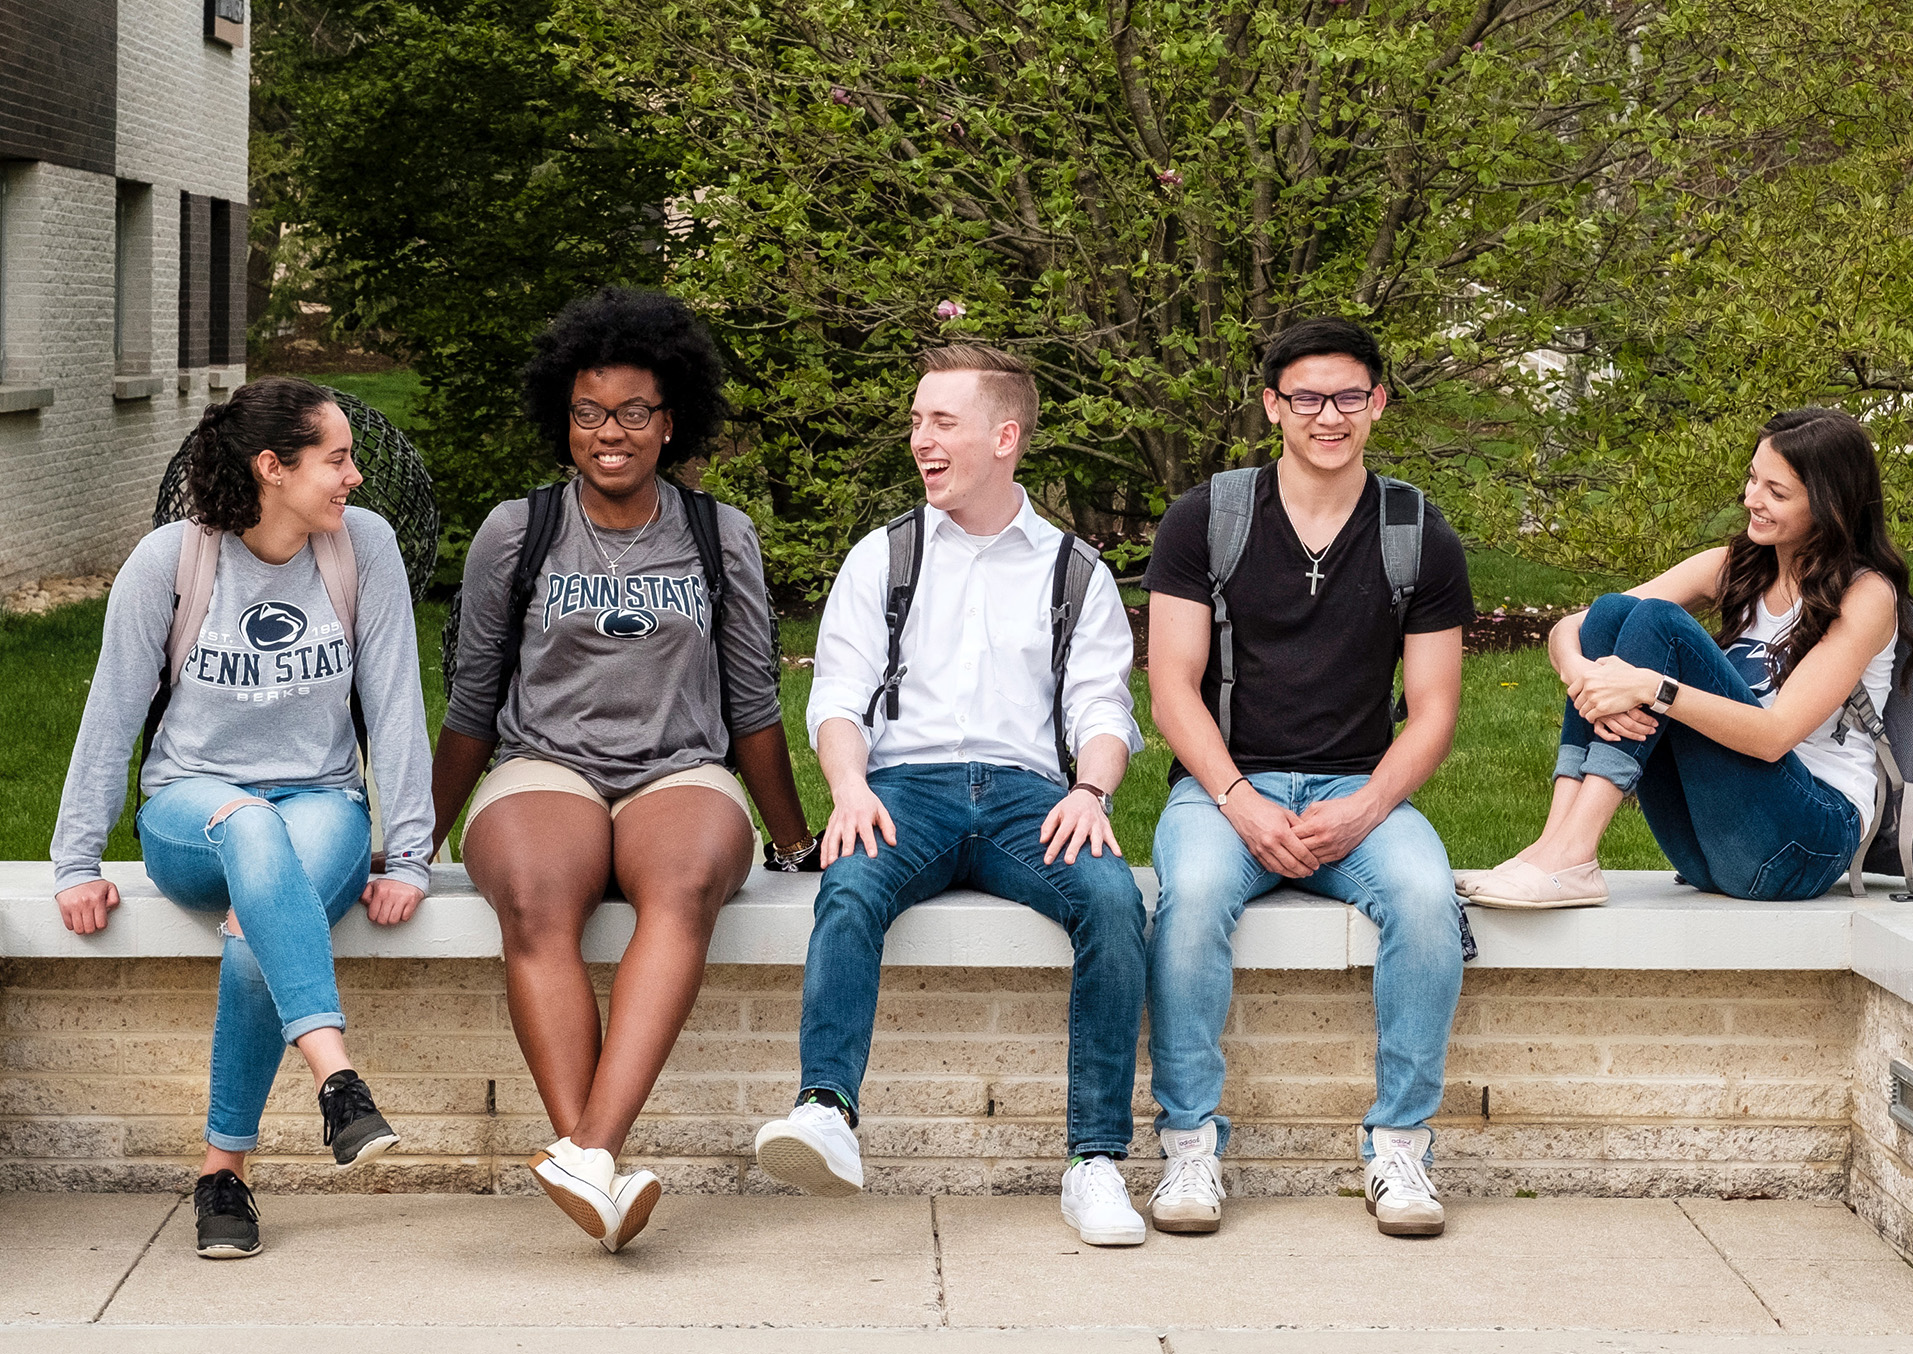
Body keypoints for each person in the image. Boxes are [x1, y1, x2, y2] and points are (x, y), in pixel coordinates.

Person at [431, 287, 814, 1254]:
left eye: (635, 412)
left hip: (680, 767)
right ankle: (594, 1168)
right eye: (590, 413)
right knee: (532, 895)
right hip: (543, 764)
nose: (612, 433)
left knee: (683, 887)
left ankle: (589, 1150)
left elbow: (753, 704)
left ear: (671, 419)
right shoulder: (516, 532)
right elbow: (474, 704)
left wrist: (796, 838)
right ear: (563, 420)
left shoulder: (718, 534)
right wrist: (414, 843)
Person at [751, 345, 1153, 1246]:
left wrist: (1092, 790)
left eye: (942, 422)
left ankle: (1095, 1162)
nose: (919, 440)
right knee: (850, 881)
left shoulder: (1073, 570)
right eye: (916, 421)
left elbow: (1102, 705)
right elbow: (838, 698)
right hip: (904, 789)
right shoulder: (883, 556)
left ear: (1004, 437)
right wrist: (847, 787)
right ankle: (825, 1111)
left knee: (1114, 901)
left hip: (1030, 797)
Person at [51, 376, 433, 1259]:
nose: (355, 478)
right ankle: (336, 1077)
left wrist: (409, 853)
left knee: (257, 921)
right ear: (272, 467)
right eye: (337, 459)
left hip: (324, 802)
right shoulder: (173, 561)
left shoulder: (361, 548)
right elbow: (110, 713)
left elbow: (397, 703)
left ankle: (223, 1177)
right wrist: (76, 861)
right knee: (252, 832)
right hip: (194, 810)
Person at [1144, 318, 1475, 1237]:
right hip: (1224, 788)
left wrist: (1367, 806)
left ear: (1377, 404)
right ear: (1272, 407)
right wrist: (1240, 802)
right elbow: (1171, 689)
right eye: (1305, 398)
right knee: (1194, 898)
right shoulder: (1207, 519)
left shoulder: (1417, 533)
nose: (1327, 416)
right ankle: (1189, 1147)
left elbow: (1435, 710)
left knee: (1424, 902)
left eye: (1347, 397)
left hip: (1359, 789)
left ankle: (1400, 1145)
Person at [1462, 407, 1906, 911]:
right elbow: (1574, 627)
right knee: (1613, 612)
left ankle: (1573, 850)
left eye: (1776, 493)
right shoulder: (1735, 567)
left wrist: (1653, 689)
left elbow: (1773, 736)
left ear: (1831, 506)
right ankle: (1555, 846)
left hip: (1805, 843)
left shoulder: (1865, 596)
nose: (1751, 500)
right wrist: (1582, 671)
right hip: (1710, 849)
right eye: (1753, 479)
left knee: (1659, 624)